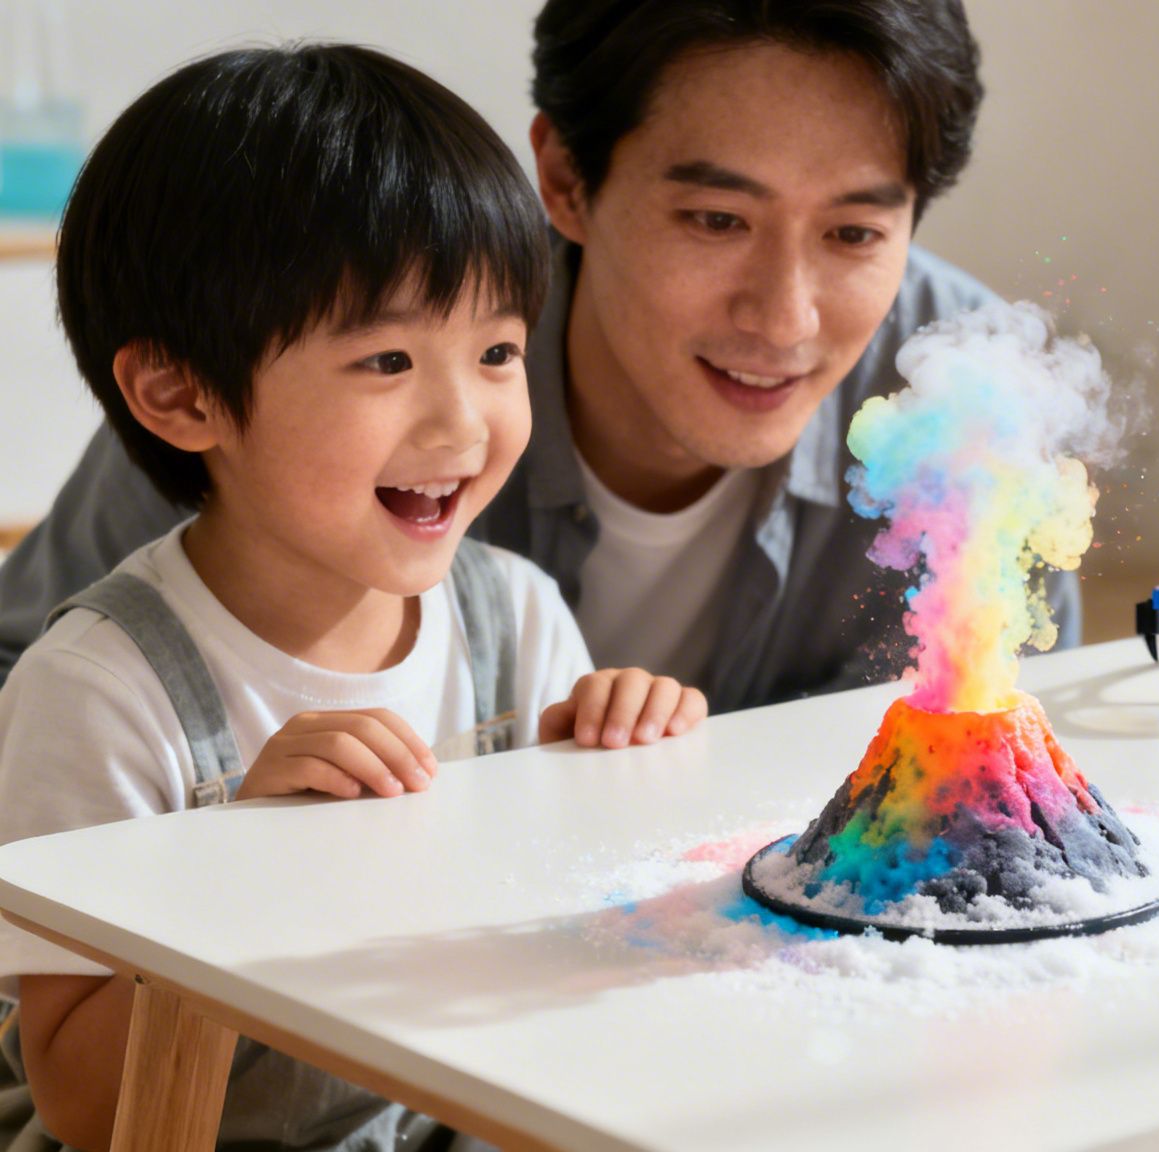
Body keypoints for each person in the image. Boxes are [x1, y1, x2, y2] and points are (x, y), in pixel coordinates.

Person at [0, 45, 702, 1151]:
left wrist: (624, 769)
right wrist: (246, 867)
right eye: (387, 362)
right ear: (180, 393)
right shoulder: (99, 691)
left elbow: (573, 975)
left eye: (497, 350)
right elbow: (88, 1110)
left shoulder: (515, 620)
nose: (462, 423)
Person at [0, 0, 1082, 712]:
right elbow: (29, 685)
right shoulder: (305, 371)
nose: (783, 317)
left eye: (854, 233)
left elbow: (996, 782)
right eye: (715, 220)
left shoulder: (966, 414)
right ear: (564, 180)